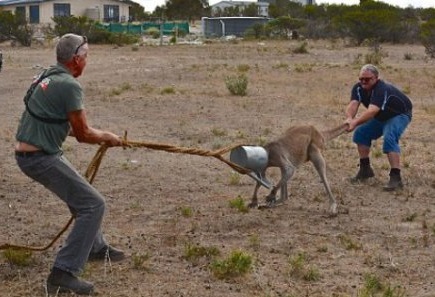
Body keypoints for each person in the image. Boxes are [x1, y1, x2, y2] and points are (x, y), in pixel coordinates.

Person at [15, 33, 125, 295]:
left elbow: (69, 128)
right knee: (93, 204)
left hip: (34, 152)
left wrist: (102, 136)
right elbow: (83, 134)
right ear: (76, 59)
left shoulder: (46, 75)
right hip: (39, 158)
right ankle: (62, 273)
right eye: (86, 56)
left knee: (83, 195)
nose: (87, 61)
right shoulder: (69, 86)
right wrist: (107, 137)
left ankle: (95, 247)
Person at [345, 64, 412, 191]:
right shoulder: (358, 88)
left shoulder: (381, 89)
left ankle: (396, 178)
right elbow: (353, 104)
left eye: (367, 79)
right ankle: (365, 170)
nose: (363, 82)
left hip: (399, 114)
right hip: (382, 116)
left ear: (376, 78)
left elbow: (372, 111)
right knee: (361, 134)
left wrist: (355, 122)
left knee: (389, 138)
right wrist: (349, 118)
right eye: (361, 79)